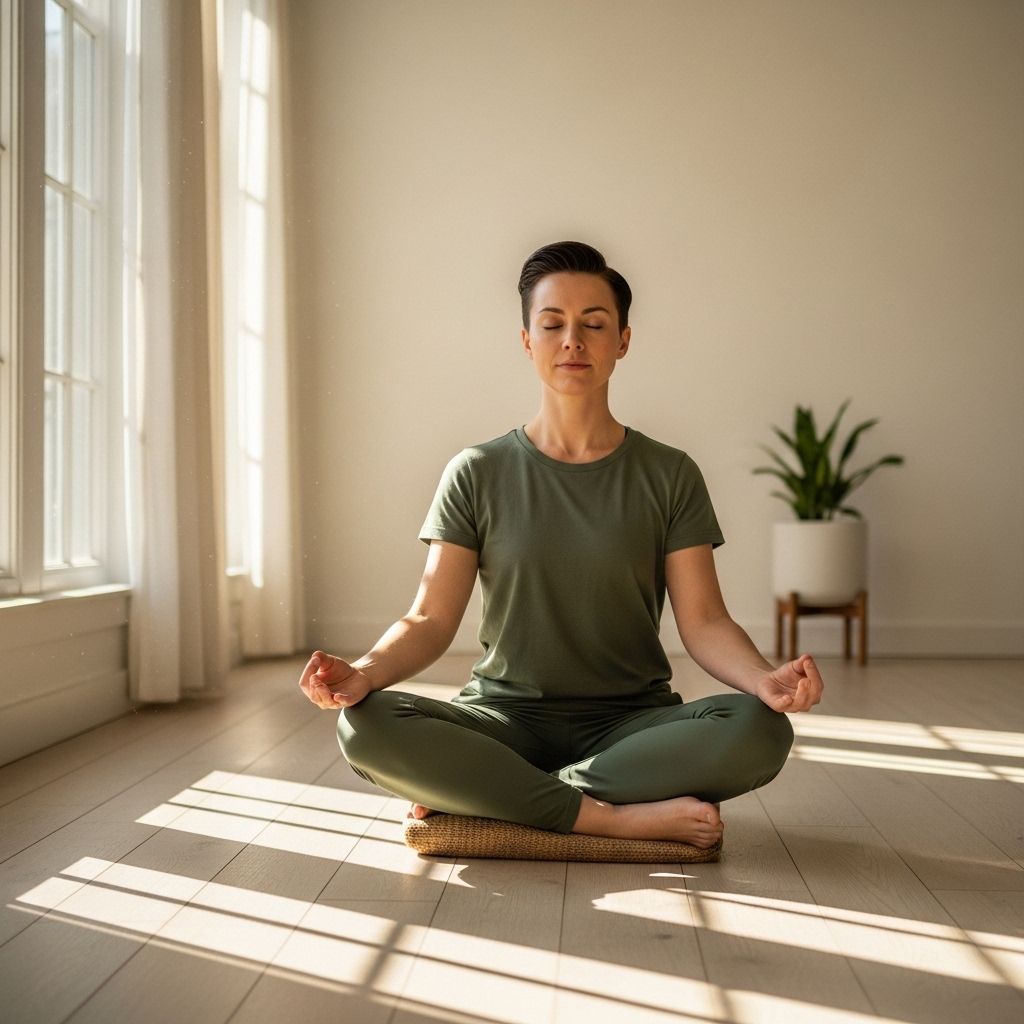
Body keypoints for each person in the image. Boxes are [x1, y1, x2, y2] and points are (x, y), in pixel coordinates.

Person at [299, 240, 823, 849]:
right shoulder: (475, 471)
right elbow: (429, 618)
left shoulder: (670, 473)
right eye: (553, 324)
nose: (572, 340)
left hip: (631, 724)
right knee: (365, 726)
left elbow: (704, 621)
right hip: (502, 719)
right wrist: (362, 674)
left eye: (594, 324)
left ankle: (497, 792)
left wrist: (765, 680)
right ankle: (607, 816)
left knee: (761, 730)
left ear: (622, 340)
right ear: (527, 340)